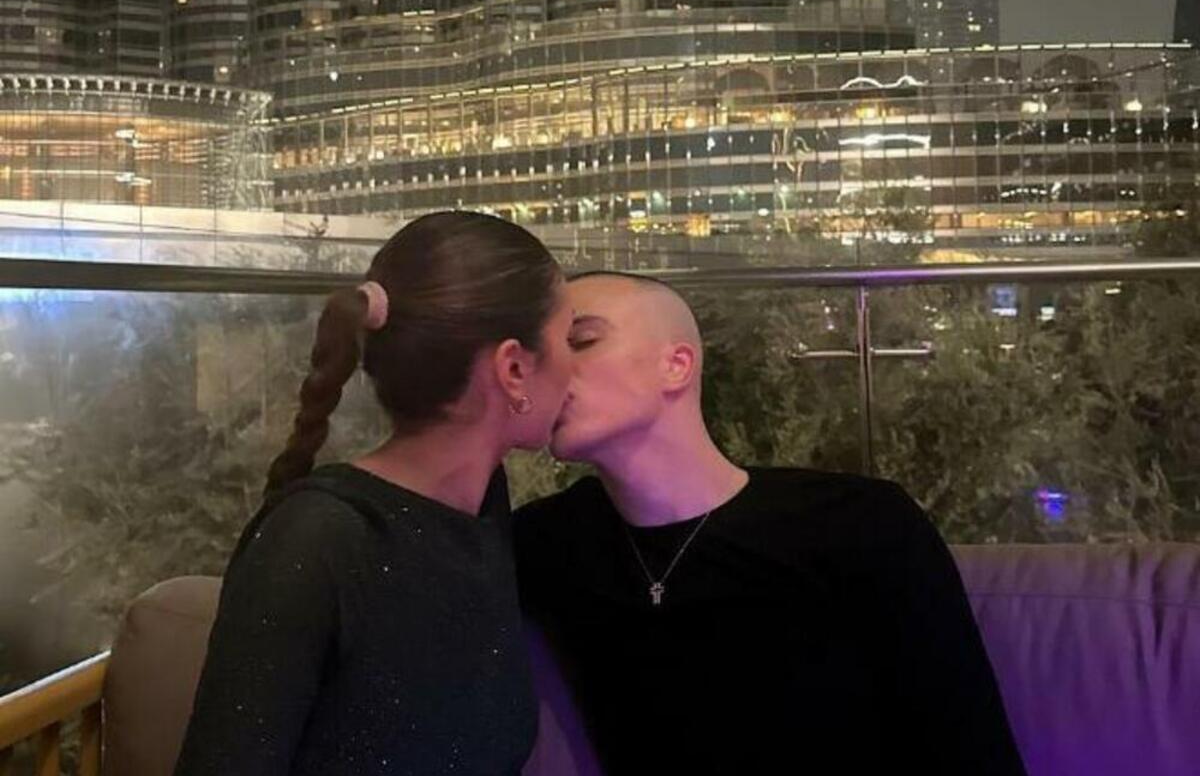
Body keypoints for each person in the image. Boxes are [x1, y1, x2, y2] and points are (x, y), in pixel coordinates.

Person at [514, 272, 1027, 775]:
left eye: (581, 341)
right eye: (538, 355)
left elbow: (971, 747)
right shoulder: (548, 544)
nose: (549, 371)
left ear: (676, 365)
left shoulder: (858, 524)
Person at [175, 211, 575, 776]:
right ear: (512, 367)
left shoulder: (483, 510)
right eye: (572, 340)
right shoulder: (317, 540)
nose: (578, 370)